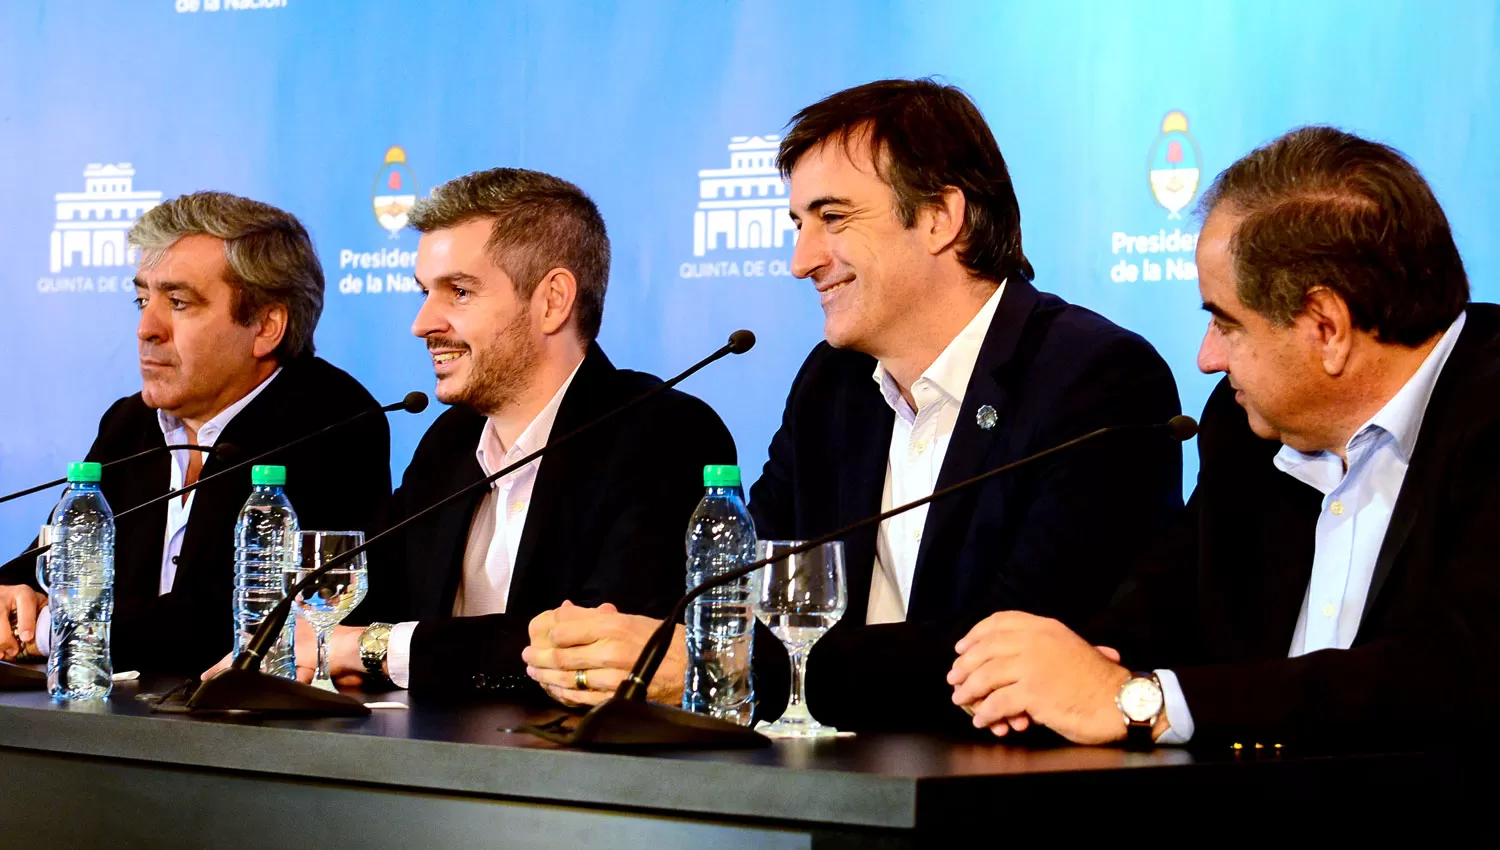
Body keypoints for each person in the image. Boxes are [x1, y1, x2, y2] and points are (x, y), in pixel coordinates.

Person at [522, 79, 1183, 730]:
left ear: (938, 218)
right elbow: (755, 587)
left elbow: (1016, 651)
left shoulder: (1096, 378)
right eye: (797, 224)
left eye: (832, 218)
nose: (800, 260)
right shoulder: (832, 384)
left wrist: (718, 662)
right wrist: (642, 645)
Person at [949, 125, 1498, 752]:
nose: (1207, 358)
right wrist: (1051, 671)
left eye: (1226, 323)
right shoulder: (1245, 427)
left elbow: (1456, 675)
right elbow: (1155, 611)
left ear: (1327, 327)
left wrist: (1144, 704)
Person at [228, 168, 735, 696]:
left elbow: (590, 647)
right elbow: (360, 603)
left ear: (552, 301)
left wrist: (371, 649)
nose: (423, 322)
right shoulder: (449, 441)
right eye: (425, 292)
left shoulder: (663, 434)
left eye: (460, 292)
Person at [0, 191, 390, 675]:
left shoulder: (330, 420)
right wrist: (9, 594)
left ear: (266, 327)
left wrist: (46, 629)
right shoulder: (130, 423)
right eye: (142, 299)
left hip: (249, 738)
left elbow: (231, 626)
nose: (147, 327)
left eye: (178, 303)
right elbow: (53, 558)